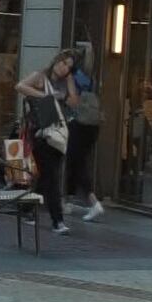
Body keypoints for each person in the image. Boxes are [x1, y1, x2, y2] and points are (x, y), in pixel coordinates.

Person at [16, 49, 79, 235]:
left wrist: (69, 86)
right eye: (63, 63)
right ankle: (57, 220)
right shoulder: (41, 77)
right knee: (52, 178)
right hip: (42, 134)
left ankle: (27, 209)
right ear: (56, 61)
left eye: (69, 66)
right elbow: (20, 86)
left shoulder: (67, 82)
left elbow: (74, 103)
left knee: (45, 176)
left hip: (59, 134)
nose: (64, 68)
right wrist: (45, 95)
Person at [65, 48, 106, 223]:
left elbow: (73, 100)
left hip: (78, 123)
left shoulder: (73, 77)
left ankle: (93, 202)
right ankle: (69, 199)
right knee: (76, 161)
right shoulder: (92, 77)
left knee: (77, 162)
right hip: (92, 125)